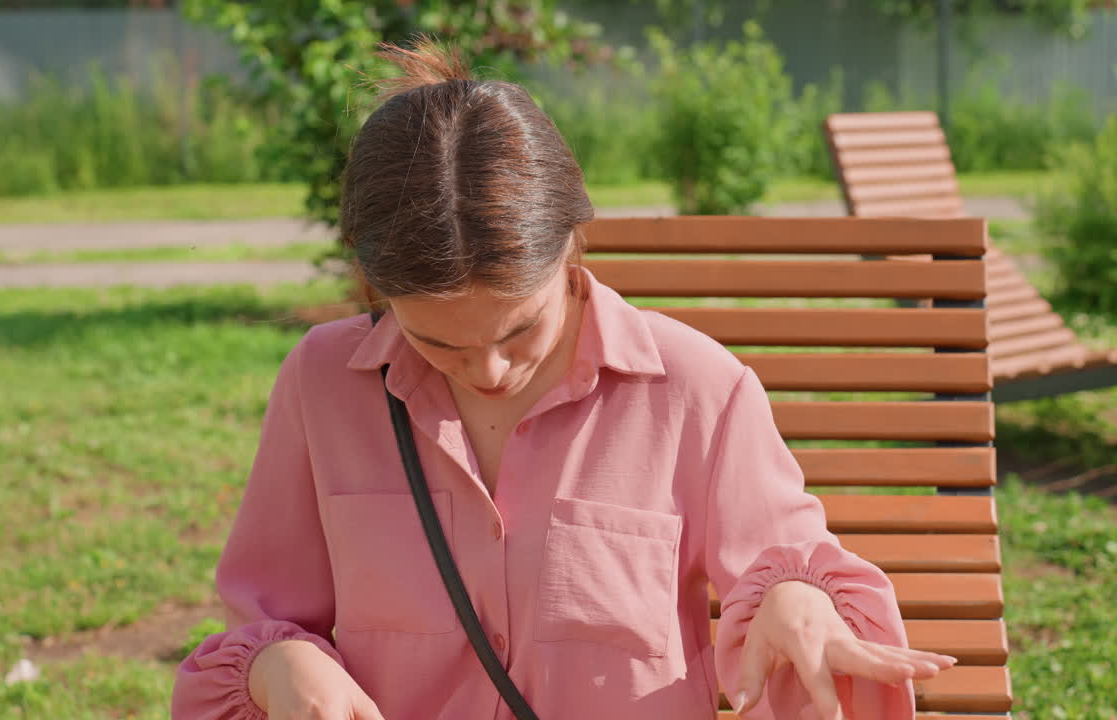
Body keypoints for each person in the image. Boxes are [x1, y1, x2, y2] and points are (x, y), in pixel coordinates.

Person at [171, 38, 957, 720]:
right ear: (373, 288)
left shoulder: (698, 390)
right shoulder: (322, 384)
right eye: (436, 342)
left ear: (573, 246)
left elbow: (785, 564)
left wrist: (797, 602)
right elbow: (267, 620)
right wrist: (282, 665)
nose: (488, 369)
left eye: (519, 329)